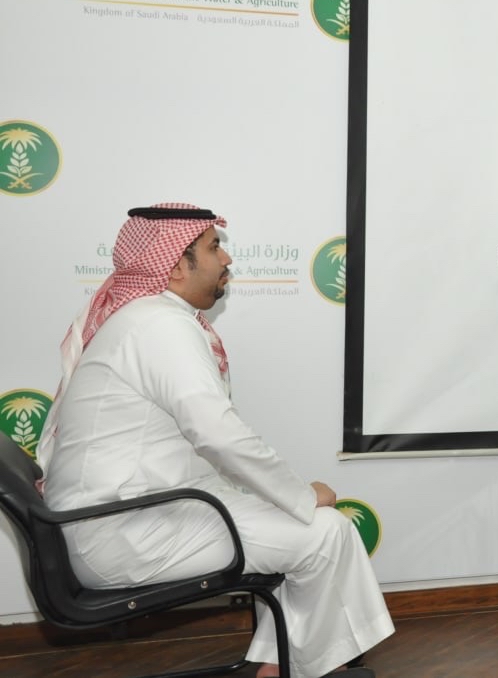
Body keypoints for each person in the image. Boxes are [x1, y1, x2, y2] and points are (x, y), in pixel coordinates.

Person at [36, 204, 394, 678]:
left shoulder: (149, 319)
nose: (226, 259)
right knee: (325, 531)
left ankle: (278, 665)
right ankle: (300, 669)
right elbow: (216, 432)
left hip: (135, 517)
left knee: (309, 527)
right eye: (213, 247)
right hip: (125, 533)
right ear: (175, 266)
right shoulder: (159, 326)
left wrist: (287, 499)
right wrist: (302, 497)